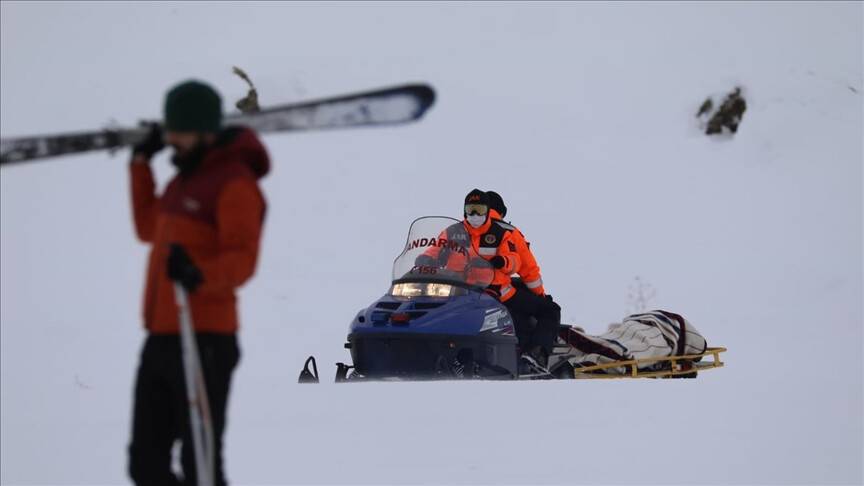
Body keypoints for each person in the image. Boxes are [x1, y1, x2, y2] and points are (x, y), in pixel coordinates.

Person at [127, 80, 270, 485]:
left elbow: (242, 261)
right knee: (145, 464)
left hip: (205, 338)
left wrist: (198, 274)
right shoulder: (183, 182)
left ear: (206, 132)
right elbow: (146, 228)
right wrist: (140, 165)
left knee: (200, 464)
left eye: (180, 131)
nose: (171, 139)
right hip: (161, 335)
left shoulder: (235, 184)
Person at [483, 190, 560, 368]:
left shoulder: (460, 231)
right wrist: (540, 296)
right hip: (498, 293)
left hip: (463, 291)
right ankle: (535, 354)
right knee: (549, 310)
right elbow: (529, 270)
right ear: (501, 212)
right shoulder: (508, 231)